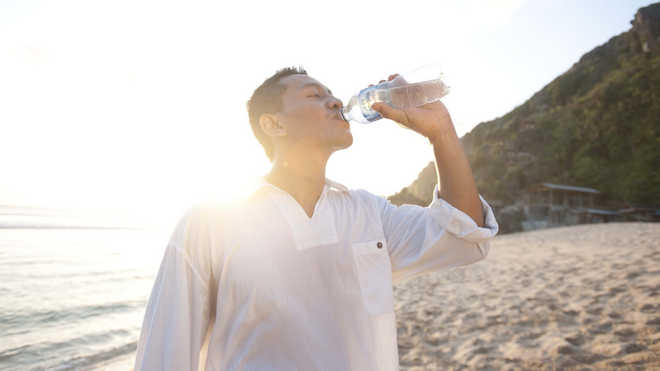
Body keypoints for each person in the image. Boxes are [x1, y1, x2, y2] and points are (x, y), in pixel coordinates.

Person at [133, 66, 499, 370]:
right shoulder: (211, 222)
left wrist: (441, 134)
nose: (337, 102)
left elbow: (464, 236)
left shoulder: (368, 213)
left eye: (332, 94)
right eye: (314, 95)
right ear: (273, 125)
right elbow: (164, 356)